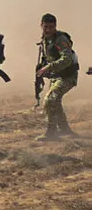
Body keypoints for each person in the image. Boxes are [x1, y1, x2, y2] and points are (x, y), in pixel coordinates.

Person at [35, 13, 80, 141]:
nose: (48, 30)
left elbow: (67, 59)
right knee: (55, 101)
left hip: (67, 77)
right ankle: (65, 129)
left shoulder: (60, 39)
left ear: (55, 26)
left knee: (50, 100)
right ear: (41, 26)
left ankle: (51, 132)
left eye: (51, 27)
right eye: (45, 27)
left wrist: (49, 67)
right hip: (56, 76)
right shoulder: (45, 39)